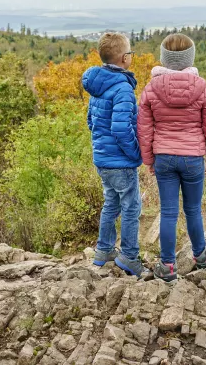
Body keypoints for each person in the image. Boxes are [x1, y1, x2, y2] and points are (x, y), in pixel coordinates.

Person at [138, 33, 206, 282]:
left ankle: (167, 266)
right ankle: (202, 255)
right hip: (192, 159)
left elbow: (144, 129)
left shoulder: (151, 88)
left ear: (163, 59)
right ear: (191, 57)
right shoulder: (200, 87)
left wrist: (148, 160)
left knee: (168, 212)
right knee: (192, 210)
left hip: (164, 157)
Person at [82, 32, 149, 278]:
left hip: (102, 158)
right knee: (132, 207)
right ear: (124, 58)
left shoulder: (97, 85)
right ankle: (129, 257)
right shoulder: (121, 88)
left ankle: (104, 251)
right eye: (130, 54)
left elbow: (91, 121)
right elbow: (121, 128)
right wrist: (135, 153)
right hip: (120, 161)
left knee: (111, 203)